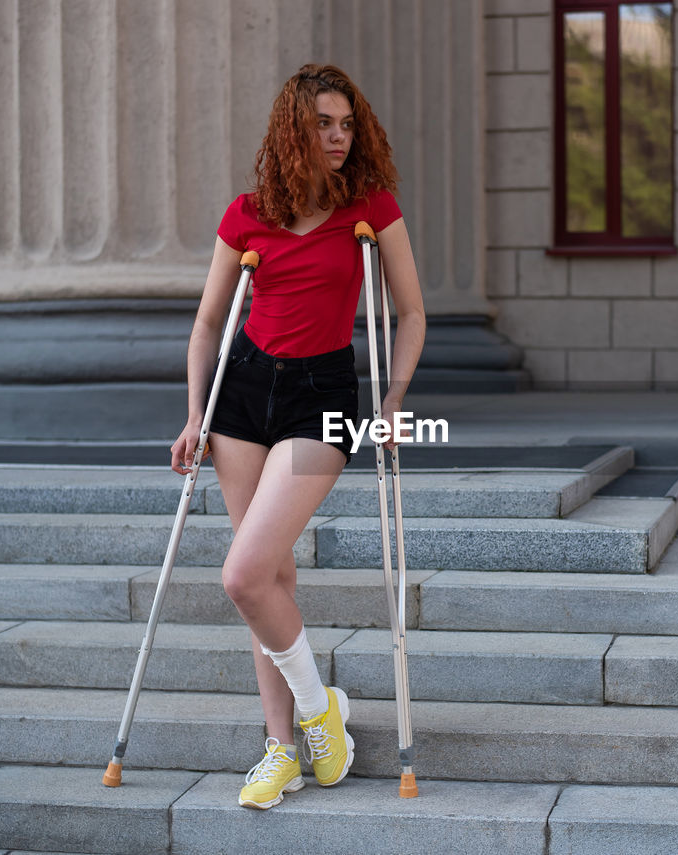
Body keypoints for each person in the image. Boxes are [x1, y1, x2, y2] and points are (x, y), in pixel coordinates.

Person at [170, 63, 425, 810]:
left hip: (322, 396)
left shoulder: (370, 211)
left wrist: (395, 396)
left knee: (243, 572)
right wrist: (195, 413)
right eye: (324, 124)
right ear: (294, 131)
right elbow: (209, 323)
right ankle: (283, 745)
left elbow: (409, 313)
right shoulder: (247, 215)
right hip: (243, 392)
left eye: (347, 124)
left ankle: (319, 713)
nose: (339, 137)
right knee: (269, 579)